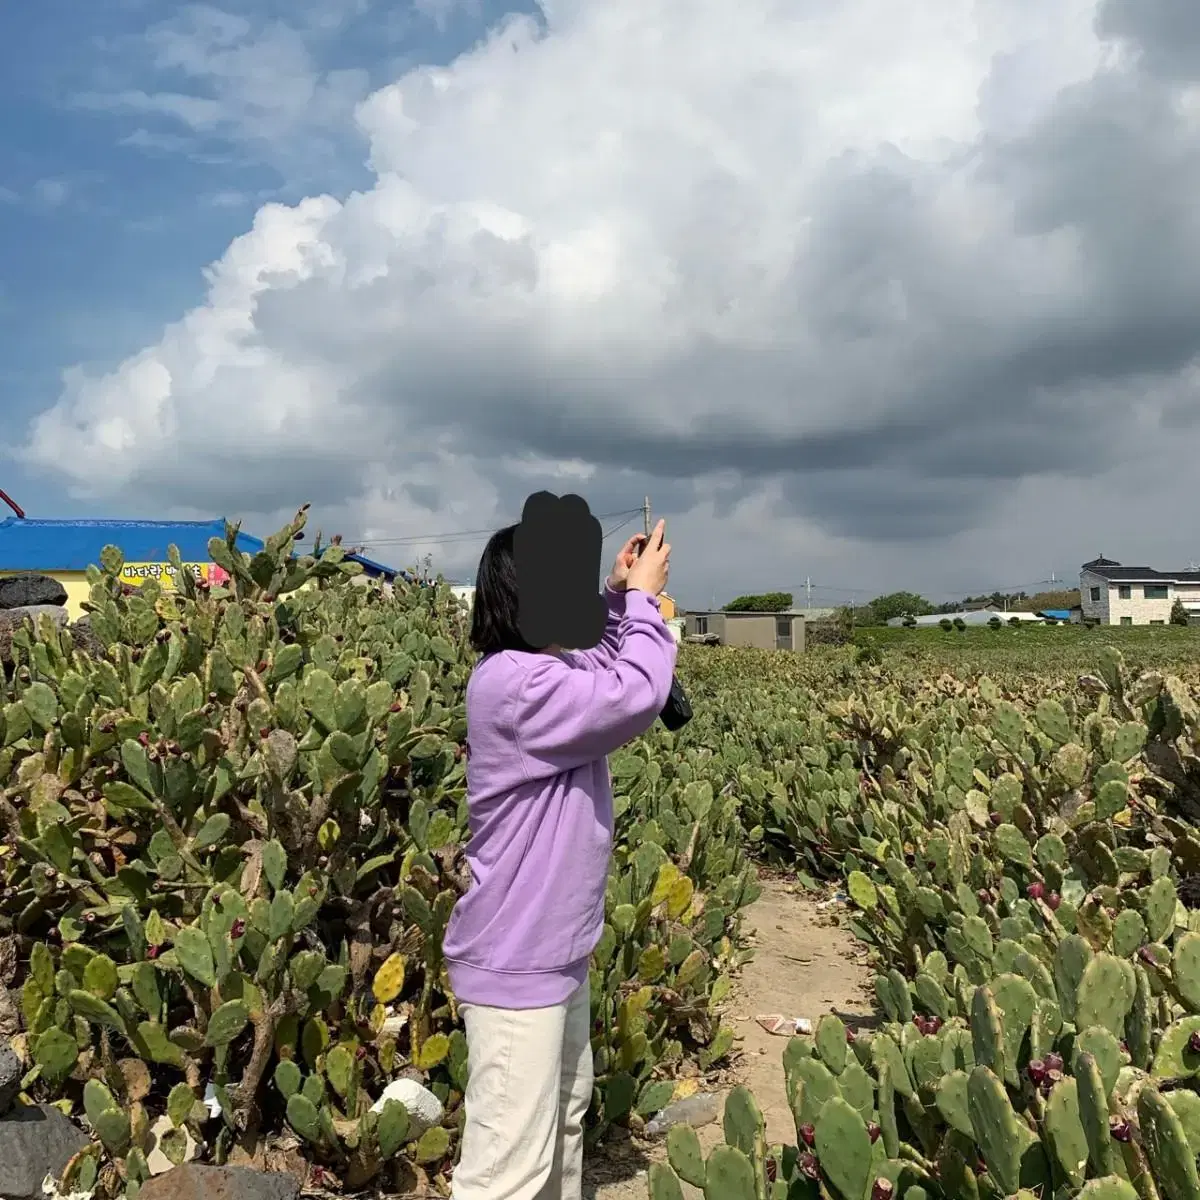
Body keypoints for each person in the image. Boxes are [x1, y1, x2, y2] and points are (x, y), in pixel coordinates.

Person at [444, 519, 677, 1200]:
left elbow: (602, 665)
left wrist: (612, 599)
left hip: (553, 954)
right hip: (519, 959)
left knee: (559, 1132)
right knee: (504, 1172)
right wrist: (642, 605)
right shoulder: (516, 686)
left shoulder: (540, 669)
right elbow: (634, 691)